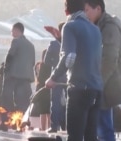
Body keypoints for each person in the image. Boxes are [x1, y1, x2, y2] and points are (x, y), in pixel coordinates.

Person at [45, 0, 103, 140]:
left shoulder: (70, 26)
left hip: (79, 89)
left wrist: (53, 77)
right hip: (96, 89)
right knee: (91, 136)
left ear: (66, 12)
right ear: (84, 8)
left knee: (75, 135)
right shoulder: (95, 29)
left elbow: (69, 57)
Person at [84, 0, 121, 140]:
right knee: (99, 128)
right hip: (100, 84)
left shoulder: (109, 27)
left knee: (104, 128)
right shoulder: (97, 26)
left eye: (87, 10)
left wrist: (96, 83)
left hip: (105, 86)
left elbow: (109, 60)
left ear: (98, 9)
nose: (85, 14)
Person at [0, 22, 35, 131]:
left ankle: (4, 124)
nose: (11, 33)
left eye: (12, 30)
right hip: (26, 77)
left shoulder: (16, 41)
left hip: (12, 75)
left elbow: (10, 56)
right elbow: (32, 62)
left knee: (6, 99)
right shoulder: (31, 45)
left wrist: (5, 68)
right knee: (22, 102)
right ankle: (17, 124)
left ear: (18, 30)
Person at [44, 22, 67, 133]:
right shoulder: (71, 42)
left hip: (56, 76)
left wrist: (54, 63)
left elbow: (46, 61)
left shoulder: (53, 44)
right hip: (69, 76)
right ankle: (67, 125)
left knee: (56, 101)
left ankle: (54, 126)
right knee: (69, 101)